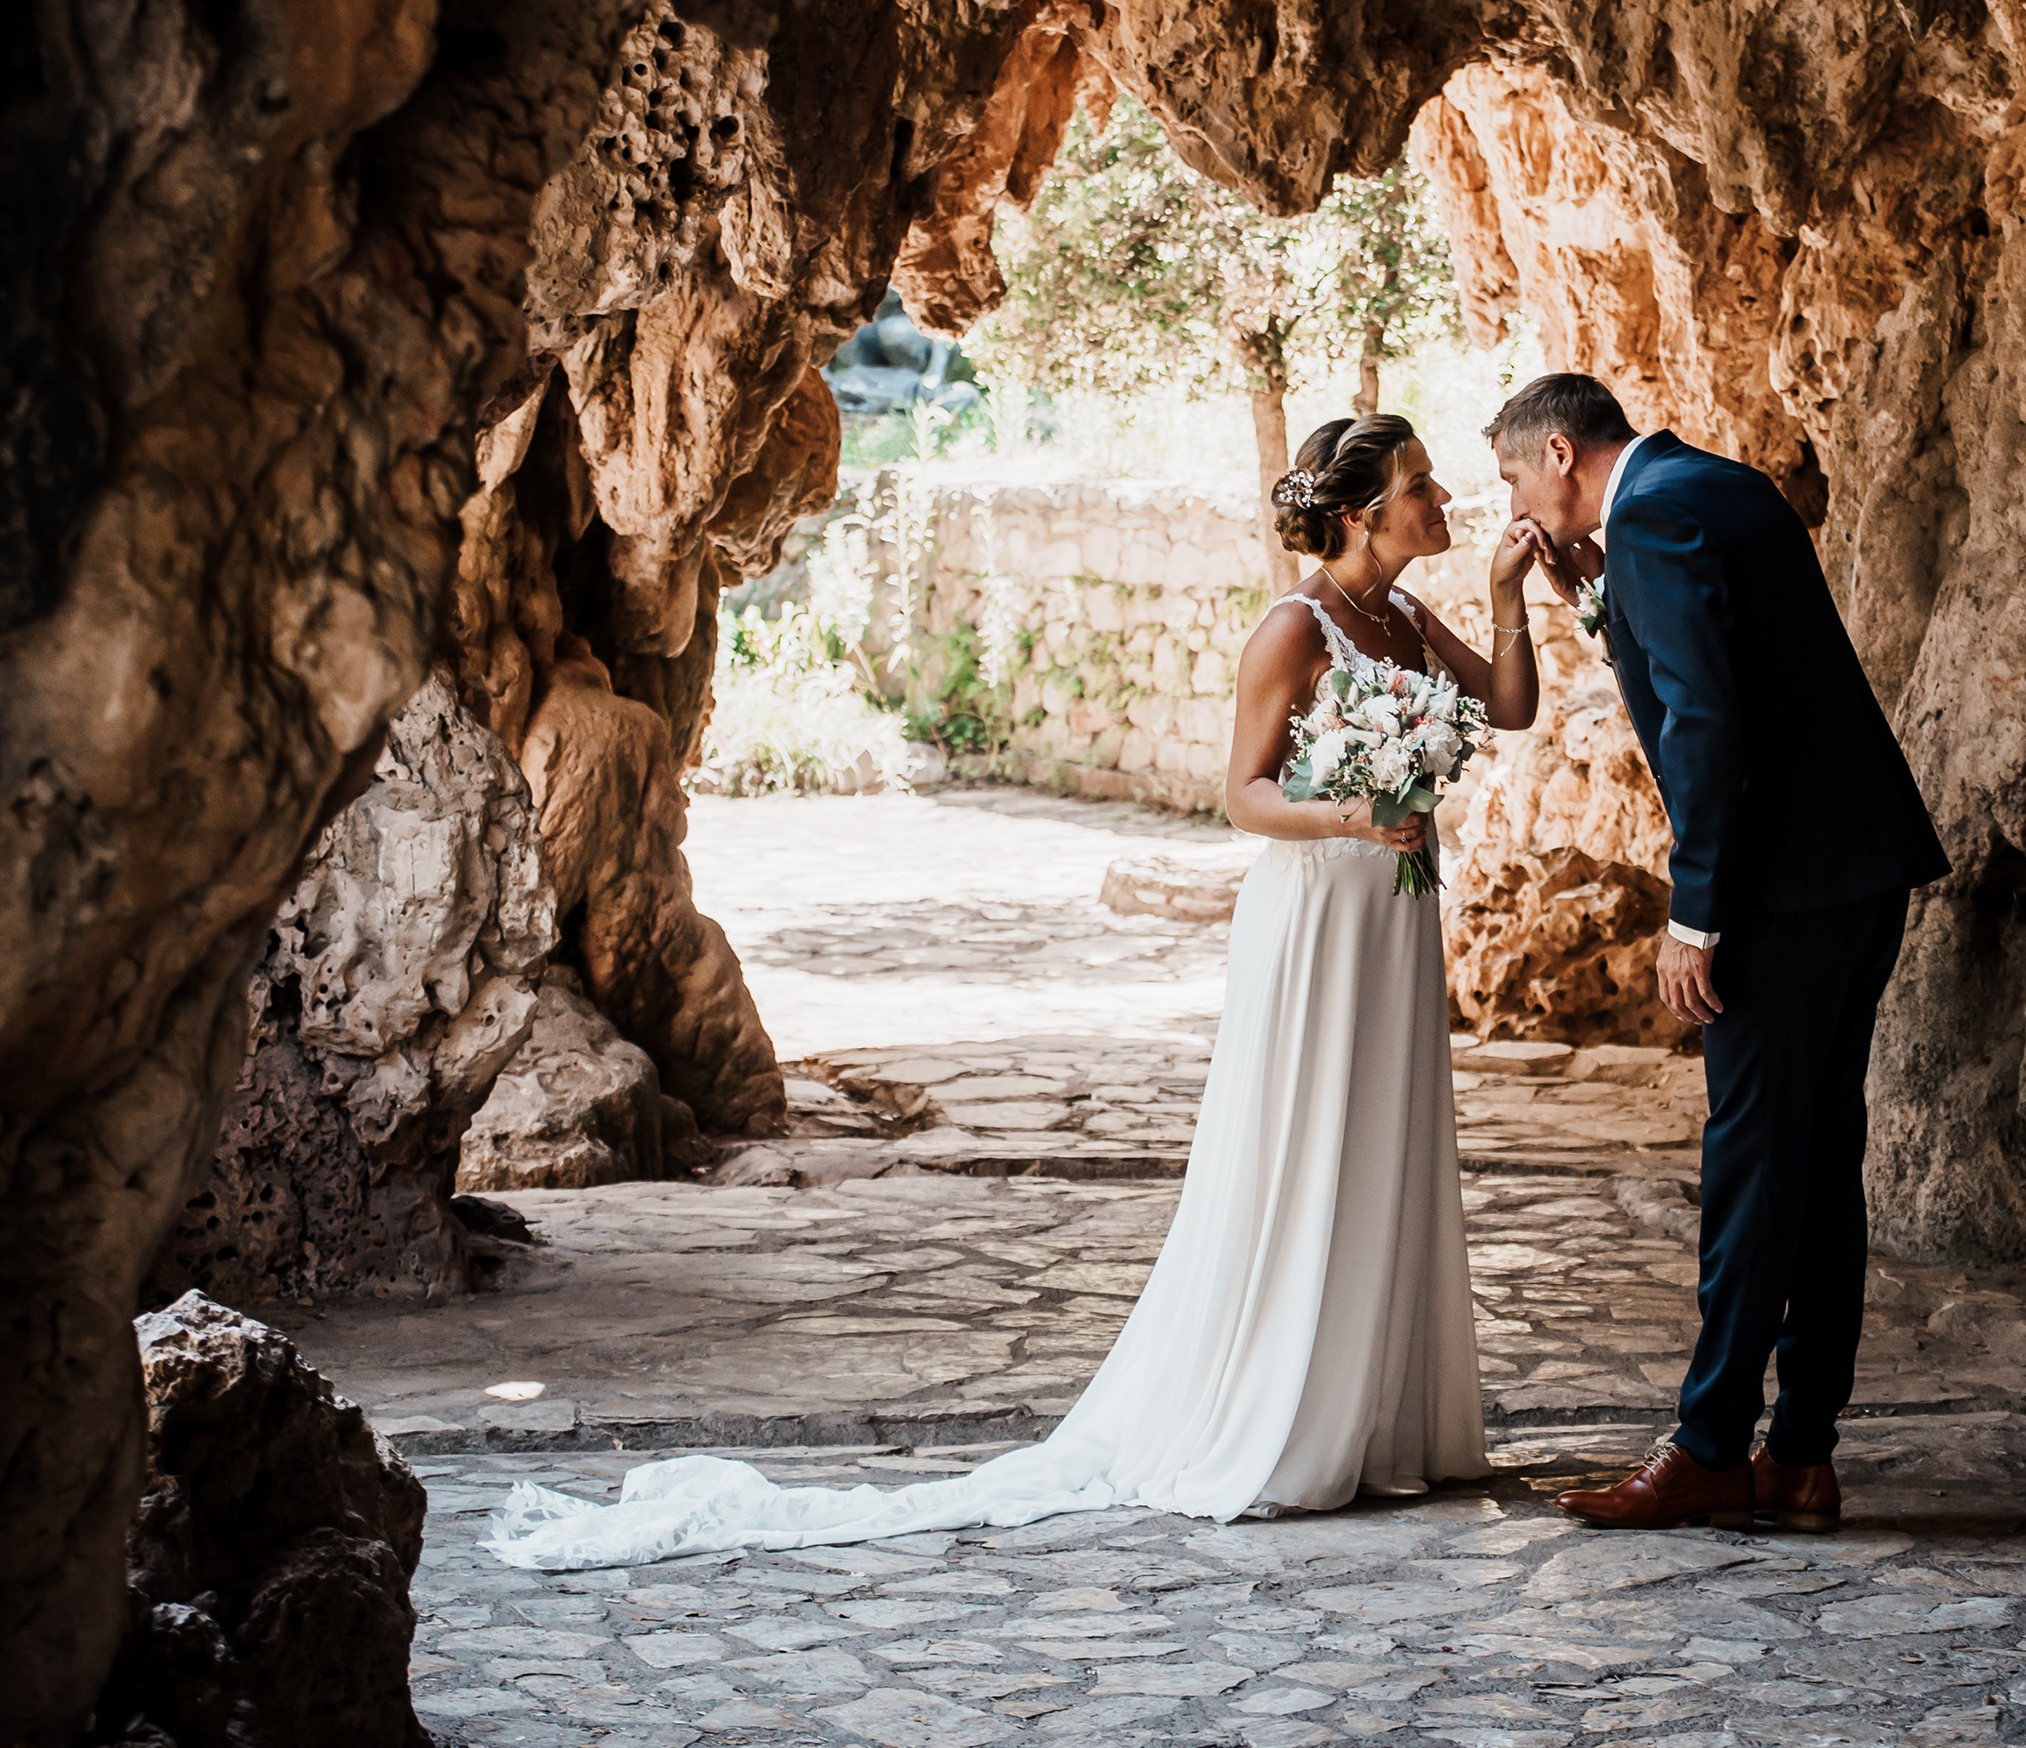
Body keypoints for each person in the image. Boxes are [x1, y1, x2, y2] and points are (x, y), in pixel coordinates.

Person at [484, 413, 1545, 1565]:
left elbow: (1511, 704)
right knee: (1313, 1144)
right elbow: (1241, 795)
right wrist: (1355, 815)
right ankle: (1293, 1415)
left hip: (1396, 915)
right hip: (1323, 910)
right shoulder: (1294, 627)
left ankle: (1387, 1413)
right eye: (1421, 485)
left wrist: (1504, 591)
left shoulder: (1401, 615)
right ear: (1359, 513)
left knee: (1388, 1139)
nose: (1440, 499)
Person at [1489, 373, 1949, 1536]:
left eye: (1510, 479)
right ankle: (1799, 1455)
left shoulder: (1648, 517)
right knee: (1818, 1154)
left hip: (1780, 892)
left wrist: (1697, 912)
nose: (1515, 503)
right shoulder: (1713, 485)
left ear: (1557, 452)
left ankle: (1706, 1447)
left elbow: (1707, 716)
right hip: (1858, 872)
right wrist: (1597, 603)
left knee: (1752, 1163)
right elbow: (1726, 654)